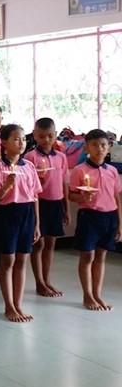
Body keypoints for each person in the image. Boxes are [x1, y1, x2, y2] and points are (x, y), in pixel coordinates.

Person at [0, 124, 42, 323]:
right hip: (7, 213)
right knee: (7, 260)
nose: (21, 143)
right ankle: (9, 305)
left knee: (22, 260)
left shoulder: (29, 166)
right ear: (4, 142)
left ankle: (18, 304)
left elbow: (34, 196)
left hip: (26, 214)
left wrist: (36, 224)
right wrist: (6, 186)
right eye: (16, 139)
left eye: (23, 139)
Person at [68, 129, 122, 311]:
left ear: (109, 147)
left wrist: (120, 223)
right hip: (89, 217)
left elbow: (116, 197)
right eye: (95, 145)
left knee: (100, 257)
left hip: (109, 217)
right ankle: (87, 295)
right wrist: (82, 198)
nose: (99, 149)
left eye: (103, 145)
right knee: (87, 256)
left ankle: (97, 294)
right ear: (86, 148)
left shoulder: (112, 171)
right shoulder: (80, 170)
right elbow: (71, 195)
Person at [24, 118, 69, 297]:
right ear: (35, 135)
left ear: (56, 135)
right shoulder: (30, 158)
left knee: (50, 243)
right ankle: (39, 282)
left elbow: (64, 183)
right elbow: (28, 186)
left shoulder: (61, 157)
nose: (46, 140)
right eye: (41, 136)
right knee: (38, 243)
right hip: (38, 204)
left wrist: (66, 208)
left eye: (50, 136)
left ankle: (47, 279)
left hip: (56, 203)